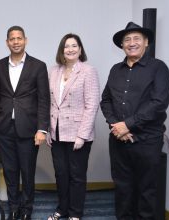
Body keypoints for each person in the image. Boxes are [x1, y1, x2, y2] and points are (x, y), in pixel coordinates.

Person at [100, 22, 169, 219]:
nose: (132, 43)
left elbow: (158, 103)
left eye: (136, 38)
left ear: (146, 42)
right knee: (122, 188)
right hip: (118, 140)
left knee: (146, 190)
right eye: (127, 40)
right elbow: (105, 100)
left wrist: (127, 125)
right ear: (122, 45)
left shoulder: (158, 68)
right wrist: (116, 126)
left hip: (147, 141)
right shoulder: (116, 69)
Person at [0, 25, 50, 220]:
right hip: (4, 128)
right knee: (10, 171)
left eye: (19, 38)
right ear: (7, 42)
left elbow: (43, 100)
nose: (15, 42)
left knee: (27, 171)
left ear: (25, 40)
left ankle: (27, 210)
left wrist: (42, 129)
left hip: (29, 129)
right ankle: (14, 207)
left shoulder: (38, 66)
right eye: (12, 39)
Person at [46, 34, 100, 220]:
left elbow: (91, 105)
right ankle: (62, 209)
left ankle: (75, 214)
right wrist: (48, 129)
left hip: (78, 133)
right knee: (61, 174)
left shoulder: (88, 71)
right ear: (61, 50)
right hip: (57, 131)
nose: (70, 49)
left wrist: (82, 135)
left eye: (74, 46)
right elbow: (50, 103)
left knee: (76, 176)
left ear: (80, 49)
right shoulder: (54, 71)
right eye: (66, 46)